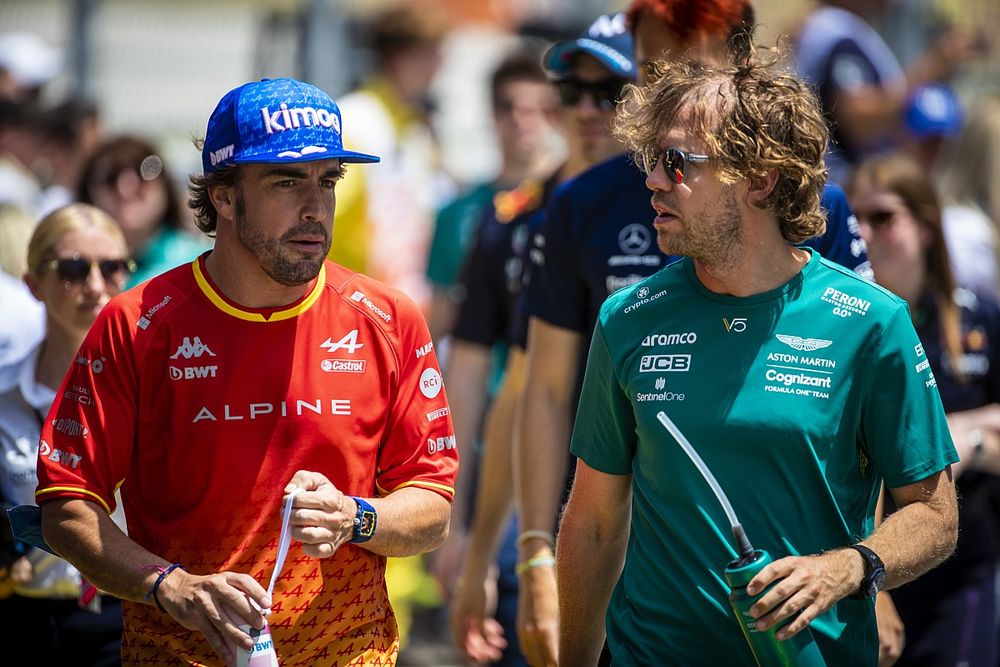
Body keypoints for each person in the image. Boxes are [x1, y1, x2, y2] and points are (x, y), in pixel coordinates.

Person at [556, 47, 959, 666]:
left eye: (676, 162)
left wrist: (850, 568)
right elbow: (593, 523)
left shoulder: (873, 324)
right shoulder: (628, 319)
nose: (654, 181)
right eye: (649, 160)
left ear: (760, 177)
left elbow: (934, 515)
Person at [35, 77, 458, 666]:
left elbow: (433, 503)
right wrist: (170, 586)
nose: (316, 207)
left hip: (348, 652)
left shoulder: (388, 319)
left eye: (328, 180)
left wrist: (358, 517)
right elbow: (67, 506)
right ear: (225, 196)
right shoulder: (137, 324)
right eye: (288, 181)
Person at [511, 2, 872, 664]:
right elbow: (543, 389)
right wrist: (535, 550)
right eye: (648, 68)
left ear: (738, 66)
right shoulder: (581, 204)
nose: (662, 87)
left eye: (688, 65)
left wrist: (869, 573)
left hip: (789, 601)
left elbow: (860, 404)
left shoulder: (820, 205)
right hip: (616, 545)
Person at [446, 17, 633, 665]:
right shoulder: (518, 220)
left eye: (610, 91)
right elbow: (515, 395)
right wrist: (476, 550)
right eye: (572, 89)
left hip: (661, 529)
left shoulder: (680, 214)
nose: (587, 109)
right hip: (554, 524)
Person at [847, 152, 1000, 666]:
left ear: (927, 227)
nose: (865, 234)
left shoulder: (977, 316)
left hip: (960, 565)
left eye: (882, 218)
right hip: (869, 564)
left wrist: (968, 442)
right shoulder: (844, 328)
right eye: (854, 220)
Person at [0, 203, 130, 665]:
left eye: (112, 267)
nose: (96, 286)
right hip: (22, 617)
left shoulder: (156, 391)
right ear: (33, 283)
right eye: (74, 269)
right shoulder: (4, 394)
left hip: (127, 615)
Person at [333, 3, 454, 315]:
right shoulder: (354, 120)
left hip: (395, 310)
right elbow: (321, 212)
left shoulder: (415, 126)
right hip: (348, 305)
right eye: (432, 52)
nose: (440, 64)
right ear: (400, 56)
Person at [794, 0, 980, 183]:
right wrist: (934, 65)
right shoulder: (836, 30)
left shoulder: (839, 27)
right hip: (838, 184)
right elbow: (861, 120)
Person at [78, 135, 212, 287]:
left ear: (165, 186)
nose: (126, 187)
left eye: (146, 171)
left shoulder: (203, 262)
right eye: (111, 177)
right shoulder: (71, 267)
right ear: (88, 191)